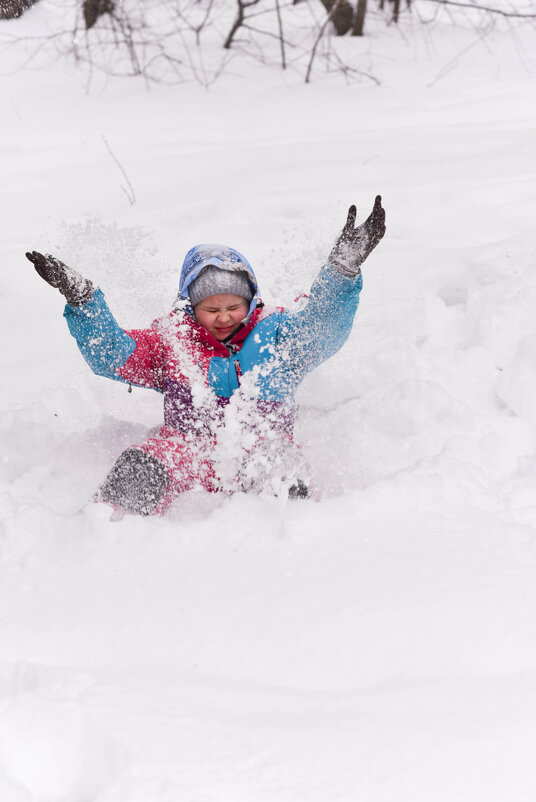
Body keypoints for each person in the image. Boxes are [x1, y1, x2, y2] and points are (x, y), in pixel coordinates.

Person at [26, 197, 386, 516]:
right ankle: (108, 533)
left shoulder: (279, 337)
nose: (225, 316)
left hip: (260, 446)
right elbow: (112, 354)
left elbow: (323, 327)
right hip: (186, 449)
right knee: (141, 463)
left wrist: (342, 271)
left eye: (234, 305)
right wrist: (84, 301)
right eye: (211, 309)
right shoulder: (171, 342)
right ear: (190, 306)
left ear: (251, 300)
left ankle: (296, 539)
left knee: (279, 464)